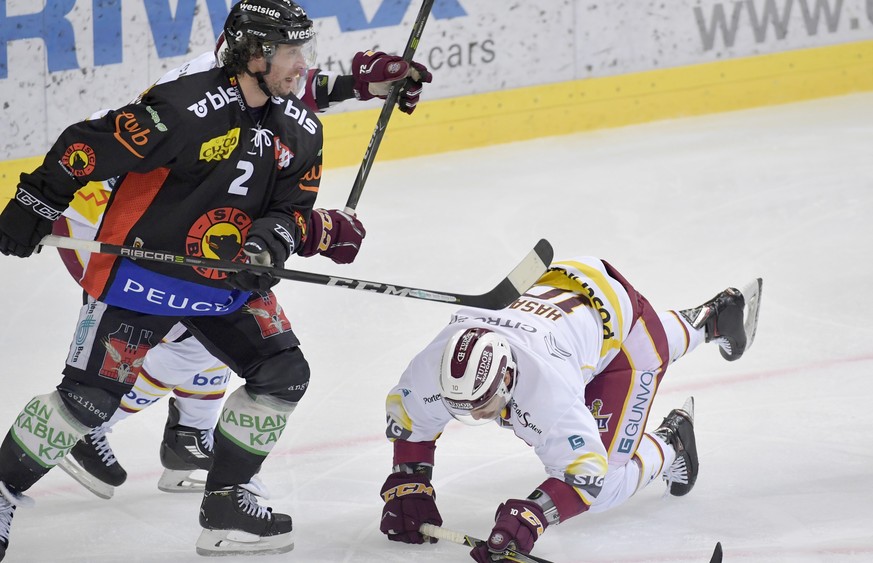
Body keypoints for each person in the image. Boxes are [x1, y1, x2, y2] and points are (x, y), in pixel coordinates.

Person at [0, 0, 430, 558]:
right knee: (86, 400)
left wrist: (280, 239)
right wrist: (34, 202)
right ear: (253, 55)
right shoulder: (183, 106)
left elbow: (289, 208)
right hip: (143, 269)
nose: (304, 65)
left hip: (222, 278)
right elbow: (86, 145)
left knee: (282, 372)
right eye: (292, 52)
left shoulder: (298, 127)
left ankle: (226, 500)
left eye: (306, 50)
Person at [379, 256, 763, 561]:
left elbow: (587, 477)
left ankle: (672, 441)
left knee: (608, 488)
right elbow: (412, 418)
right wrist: (408, 480)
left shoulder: (549, 396)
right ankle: (713, 318)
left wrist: (533, 515)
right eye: (462, 407)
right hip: (568, 286)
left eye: (484, 404)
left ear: (509, 378)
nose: (477, 416)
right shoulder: (435, 365)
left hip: (619, 331)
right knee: (625, 341)